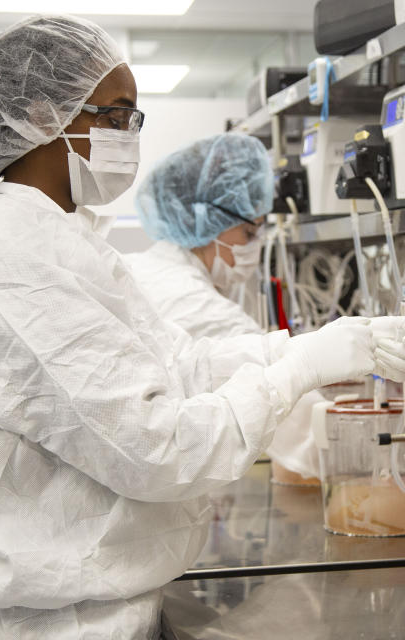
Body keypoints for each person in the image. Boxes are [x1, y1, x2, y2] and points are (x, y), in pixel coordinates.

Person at [0, 14, 405, 640]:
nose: (130, 137)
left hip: (87, 607)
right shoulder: (16, 264)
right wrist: (301, 370)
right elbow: (158, 449)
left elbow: (178, 365)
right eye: (117, 117)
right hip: (40, 625)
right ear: (43, 119)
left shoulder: (63, 240)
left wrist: (303, 346)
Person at [125, 133, 322, 485]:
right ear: (204, 218)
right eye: (249, 232)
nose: (256, 246)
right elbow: (305, 430)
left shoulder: (146, 269)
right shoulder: (192, 302)